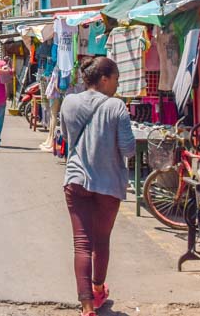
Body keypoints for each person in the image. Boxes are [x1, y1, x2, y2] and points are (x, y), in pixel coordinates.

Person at [60, 57, 135, 316]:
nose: (117, 85)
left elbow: (66, 137)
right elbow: (128, 149)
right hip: (108, 183)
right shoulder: (116, 106)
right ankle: (99, 288)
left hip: (76, 179)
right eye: (116, 79)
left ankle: (87, 306)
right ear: (104, 79)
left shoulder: (69, 101)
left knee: (82, 244)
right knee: (101, 240)